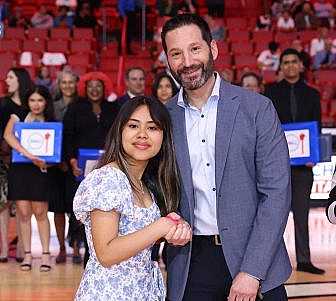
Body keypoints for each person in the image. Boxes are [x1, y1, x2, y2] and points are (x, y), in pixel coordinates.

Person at [161, 14, 292, 300]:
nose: (187, 61)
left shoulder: (257, 109)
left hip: (256, 257)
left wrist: (252, 271)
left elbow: (276, 193)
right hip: (191, 263)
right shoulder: (163, 119)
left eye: (195, 49)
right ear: (168, 61)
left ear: (213, 49)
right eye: (176, 54)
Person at [73, 96, 191, 300]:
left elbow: (137, 235)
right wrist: (160, 227)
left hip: (142, 291)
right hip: (108, 294)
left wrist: (174, 228)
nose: (143, 135)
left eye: (153, 128)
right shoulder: (108, 178)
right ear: (120, 131)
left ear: (164, 137)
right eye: (133, 126)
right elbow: (106, 254)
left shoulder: (145, 184)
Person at [265, 48, 325, 275]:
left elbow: (316, 127)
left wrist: (313, 154)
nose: (290, 65)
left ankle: (304, 260)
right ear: (281, 67)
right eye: (286, 62)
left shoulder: (312, 94)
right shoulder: (269, 93)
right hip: (275, 167)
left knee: (302, 214)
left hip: (303, 166)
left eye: (294, 62)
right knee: (272, 216)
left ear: (301, 65)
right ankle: (269, 262)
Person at [63, 71, 119, 267]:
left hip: (108, 170)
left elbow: (117, 137)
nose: (94, 90)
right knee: (83, 212)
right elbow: (68, 137)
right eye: (90, 86)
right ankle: (84, 249)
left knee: (103, 210)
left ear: (104, 88)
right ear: (84, 88)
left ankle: (103, 251)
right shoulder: (74, 109)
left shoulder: (113, 108)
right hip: (80, 172)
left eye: (98, 86)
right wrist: (71, 161)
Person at [4, 85, 55, 272]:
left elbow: (55, 154)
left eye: (40, 100)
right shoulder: (18, 116)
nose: (36, 104)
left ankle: (46, 255)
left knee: (41, 212)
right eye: (32, 100)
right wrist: (28, 154)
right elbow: (8, 135)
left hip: (39, 172)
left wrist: (46, 163)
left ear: (46, 102)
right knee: (23, 213)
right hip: (20, 170)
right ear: (27, 101)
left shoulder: (51, 122)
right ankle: (27, 254)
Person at [0, 68, 34, 263]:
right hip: (4, 161)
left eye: (10, 76)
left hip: (25, 162)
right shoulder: (3, 103)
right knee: (3, 205)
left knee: (24, 206)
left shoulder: (31, 104)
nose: (6, 79)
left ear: (20, 80)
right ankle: (4, 249)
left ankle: (23, 248)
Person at [48, 69, 80, 264]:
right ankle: (61, 248)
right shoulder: (51, 107)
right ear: (59, 85)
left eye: (71, 82)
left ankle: (76, 247)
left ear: (76, 84)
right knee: (58, 208)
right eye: (64, 82)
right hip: (55, 165)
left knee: (75, 208)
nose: (67, 86)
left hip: (75, 164)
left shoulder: (82, 105)